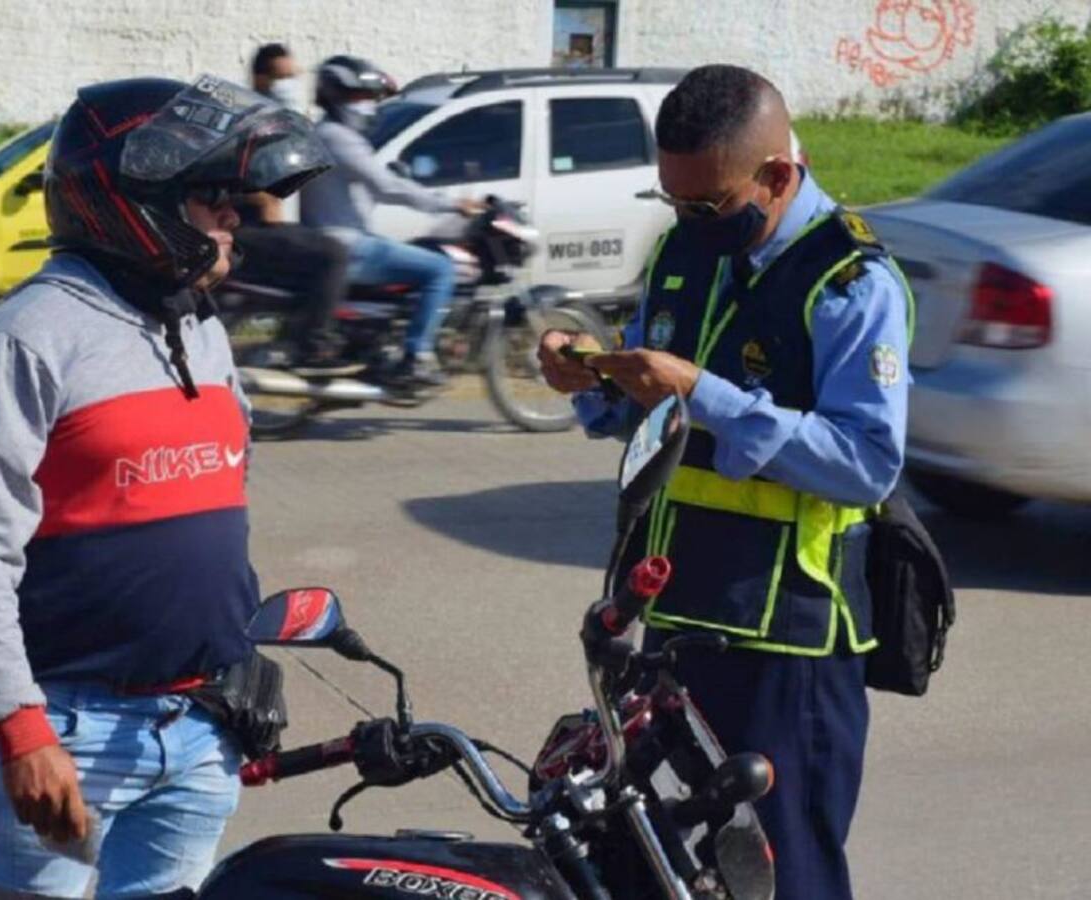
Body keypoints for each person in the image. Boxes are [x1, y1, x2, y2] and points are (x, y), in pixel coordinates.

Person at [0, 75, 330, 898]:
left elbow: (210, 508)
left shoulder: (198, 325)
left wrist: (234, 656)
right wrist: (17, 727)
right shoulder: (25, 339)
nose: (233, 213)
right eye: (210, 196)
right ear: (132, 202)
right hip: (73, 732)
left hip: (201, 727)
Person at [538, 64, 913, 900]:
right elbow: (656, 417)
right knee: (668, 869)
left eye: (707, 204)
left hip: (788, 646)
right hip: (675, 626)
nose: (687, 221)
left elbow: (865, 462)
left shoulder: (849, 282)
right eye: (671, 201)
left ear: (779, 176)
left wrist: (700, 392)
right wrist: (595, 384)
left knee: (784, 879)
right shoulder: (686, 251)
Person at [299, 54, 481, 386]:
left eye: (369, 97)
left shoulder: (327, 134)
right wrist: (451, 205)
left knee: (416, 256)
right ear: (335, 97)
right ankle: (416, 356)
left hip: (340, 241)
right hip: (349, 245)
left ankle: (383, 346)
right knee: (440, 269)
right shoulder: (338, 137)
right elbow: (385, 185)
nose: (366, 105)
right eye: (358, 97)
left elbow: (375, 186)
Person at [231, 42, 355, 374]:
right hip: (244, 231)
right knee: (334, 254)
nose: (289, 86)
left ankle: (295, 336)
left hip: (261, 228)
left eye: (293, 77)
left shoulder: (274, 122)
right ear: (259, 79)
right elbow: (224, 175)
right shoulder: (245, 123)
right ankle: (312, 347)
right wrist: (260, 197)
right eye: (280, 78)